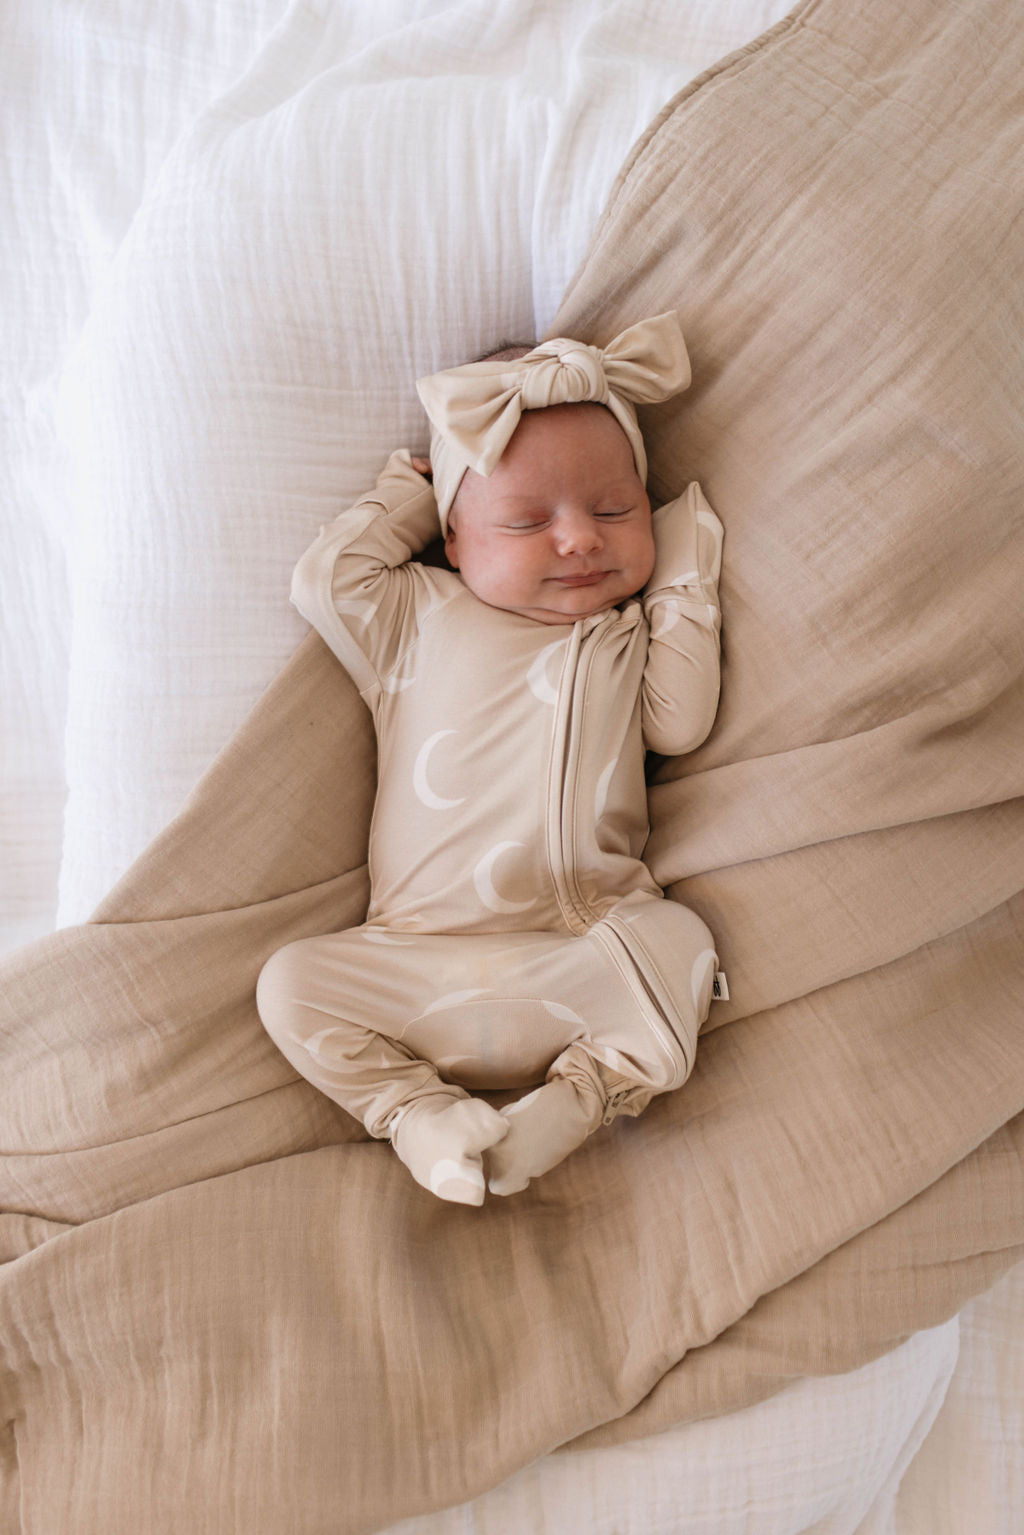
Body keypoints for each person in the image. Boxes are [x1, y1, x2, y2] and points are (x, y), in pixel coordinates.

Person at [256, 312, 725, 1206]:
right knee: (292, 984)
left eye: (616, 510)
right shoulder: (416, 618)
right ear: (456, 540)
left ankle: (569, 1106)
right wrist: (411, 490)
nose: (579, 539)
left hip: (582, 948)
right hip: (416, 962)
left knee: (685, 943)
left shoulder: (623, 634)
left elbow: (682, 722)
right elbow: (327, 578)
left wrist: (682, 571)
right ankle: (417, 1115)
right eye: (525, 520)